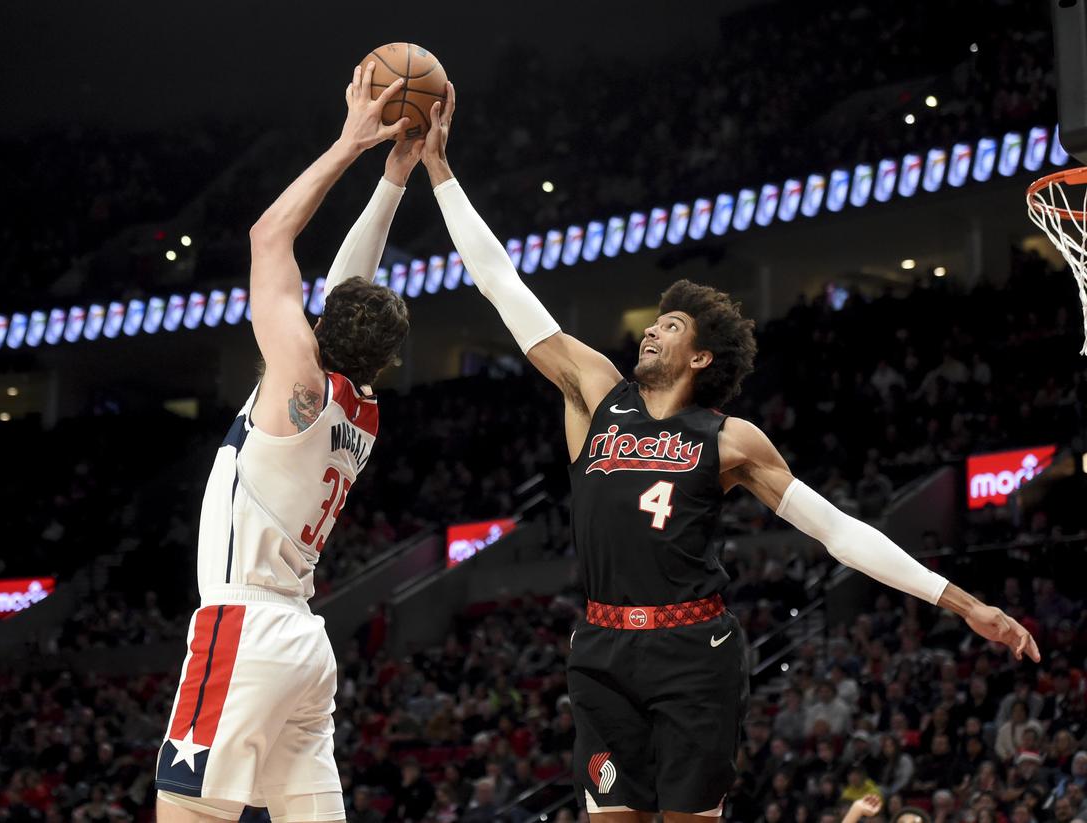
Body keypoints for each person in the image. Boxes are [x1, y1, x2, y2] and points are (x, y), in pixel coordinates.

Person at [416, 84, 1041, 821]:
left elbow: (838, 531)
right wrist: (440, 172)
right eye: (654, 321)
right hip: (602, 649)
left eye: (670, 325)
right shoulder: (595, 392)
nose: (651, 330)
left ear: (702, 356)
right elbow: (500, 283)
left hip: (693, 652)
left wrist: (963, 602)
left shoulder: (731, 439)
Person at [155, 61, 415, 822]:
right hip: (303, 642)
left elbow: (270, 234)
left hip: (243, 624)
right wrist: (394, 180)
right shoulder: (361, 408)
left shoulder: (298, 377)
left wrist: (351, 144)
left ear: (319, 328)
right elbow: (352, 287)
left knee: (184, 815)